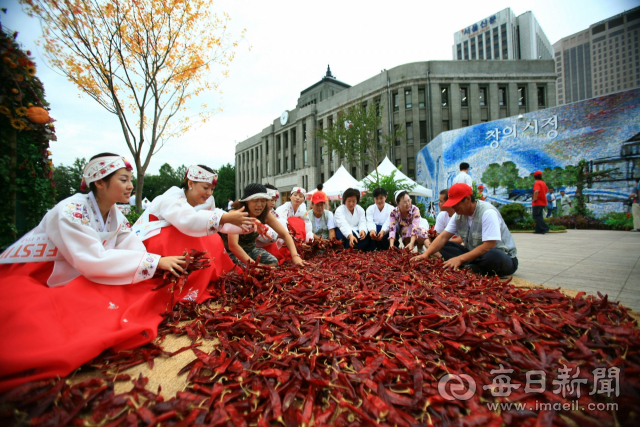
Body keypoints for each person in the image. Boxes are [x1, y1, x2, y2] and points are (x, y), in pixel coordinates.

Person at [0, 153, 187, 392]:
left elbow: (131, 246)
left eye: (131, 179)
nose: (130, 186)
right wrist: (155, 261)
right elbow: (91, 260)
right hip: (42, 272)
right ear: (99, 182)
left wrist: (152, 264)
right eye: (123, 179)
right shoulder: (70, 211)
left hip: (82, 268)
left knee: (135, 288)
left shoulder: (115, 213)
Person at [133, 165, 255, 281]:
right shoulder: (170, 199)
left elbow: (216, 220)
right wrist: (225, 218)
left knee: (211, 235)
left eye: (212, 189)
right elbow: (188, 221)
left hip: (173, 247)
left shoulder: (203, 204)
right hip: (152, 245)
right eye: (206, 188)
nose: (210, 193)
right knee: (201, 235)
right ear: (190, 183)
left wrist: (247, 225)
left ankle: (205, 277)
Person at [412, 183, 518, 277]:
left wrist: (460, 259)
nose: (453, 207)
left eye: (456, 203)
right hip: (473, 254)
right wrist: (425, 254)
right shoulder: (458, 215)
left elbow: (488, 246)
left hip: (503, 257)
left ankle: (469, 266)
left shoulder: (487, 213)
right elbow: (443, 237)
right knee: (444, 245)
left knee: (493, 255)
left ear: (467, 199)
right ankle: (473, 267)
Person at [221, 184, 305, 268]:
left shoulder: (265, 214)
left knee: (274, 262)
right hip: (232, 253)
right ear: (247, 201)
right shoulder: (237, 213)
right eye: (255, 201)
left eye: (263, 201)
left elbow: (285, 234)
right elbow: (233, 246)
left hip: (251, 250)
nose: (259, 205)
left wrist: (295, 256)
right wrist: (255, 266)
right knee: (244, 270)